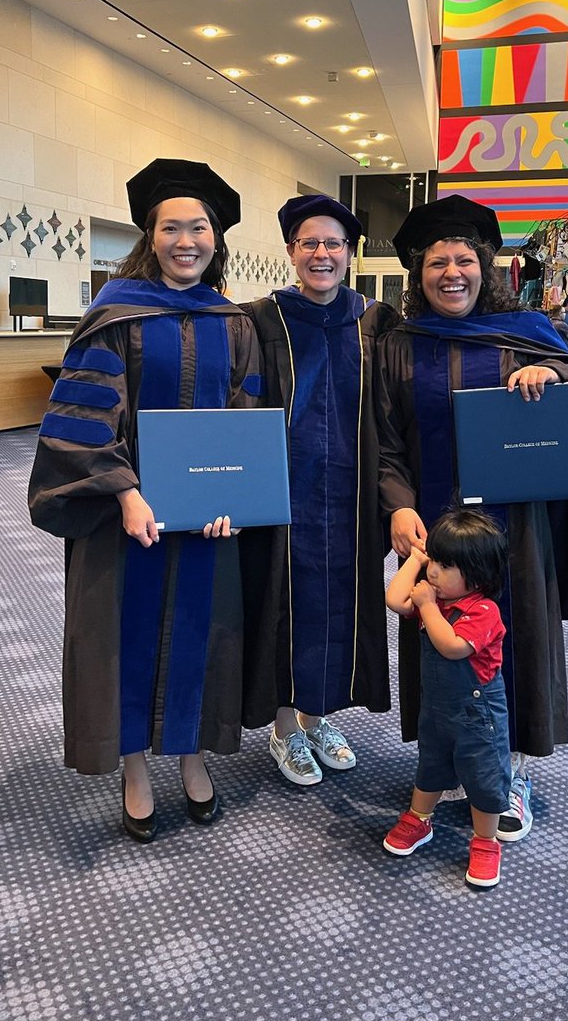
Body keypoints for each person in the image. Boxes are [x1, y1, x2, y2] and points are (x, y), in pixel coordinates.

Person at [28, 159, 265, 843]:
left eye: (199, 227)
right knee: (126, 636)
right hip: (123, 515)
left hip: (203, 518)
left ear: (216, 238)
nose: (186, 239)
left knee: (200, 629)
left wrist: (230, 496)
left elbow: (243, 415)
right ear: (151, 235)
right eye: (172, 227)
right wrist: (127, 491)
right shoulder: (116, 317)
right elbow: (82, 418)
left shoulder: (234, 323)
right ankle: (134, 768)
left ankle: (190, 755)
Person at [375, 194, 568, 846]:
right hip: (433, 535)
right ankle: (446, 764)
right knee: (437, 640)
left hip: (514, 534)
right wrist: (399, 503)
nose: (453, 271)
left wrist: (549, 373)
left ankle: (514, 774)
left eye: (465, 259)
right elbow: (386, 442)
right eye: (438, 262)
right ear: (419, 276)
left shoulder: (528, 333)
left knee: (517, 640)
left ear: (487, 266)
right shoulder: (400, 346)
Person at [241, 195, 399, 785]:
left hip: (353, 495)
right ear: (290, 251)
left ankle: (318, 715)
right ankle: (284, 730)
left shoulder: (374, 320)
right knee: (286, 601)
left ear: (350, 253)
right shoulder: (260, 318)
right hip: (285, 492)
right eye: (309, 243)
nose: (322, 254)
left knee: (340, 603)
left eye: (333, 243)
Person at [383, 510, 512, 890]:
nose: (434, 573)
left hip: (477, 715)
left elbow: (453, 647)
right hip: (438, 709)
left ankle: (485, 842)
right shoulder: (436, 598)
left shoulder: (483, 611)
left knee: (483, 775)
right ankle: (419, 817)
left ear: (477, 575)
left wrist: (426, 606)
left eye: (445, 565)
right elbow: (394, 599)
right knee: (432, 764)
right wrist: (417, 561)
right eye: (435, 561)